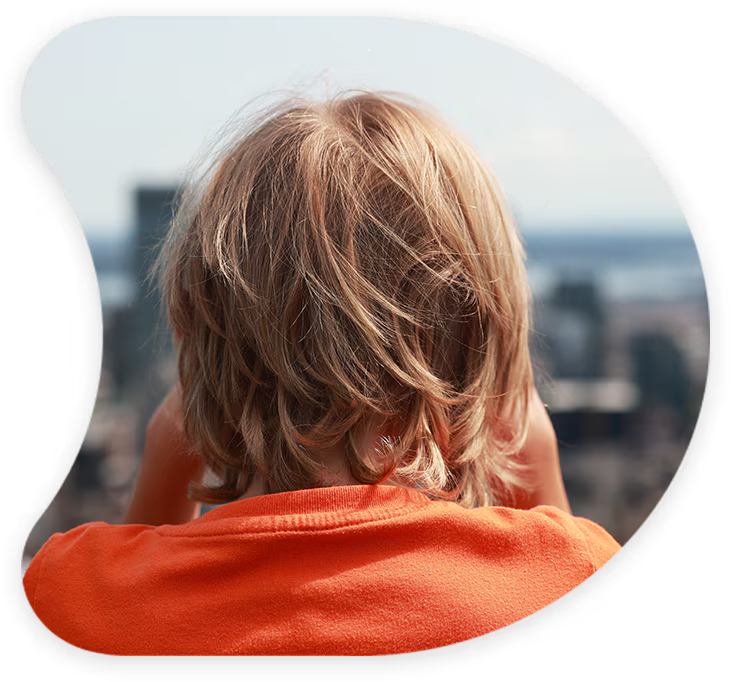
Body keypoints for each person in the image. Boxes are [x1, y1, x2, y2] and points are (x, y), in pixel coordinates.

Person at [21, 89, 644, 656]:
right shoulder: (583, 583)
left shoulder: (60, 596)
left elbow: (123, 602)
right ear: (483, 359)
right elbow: (563, 574)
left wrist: (165, 451)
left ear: (197, 346)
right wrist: (534, 449)